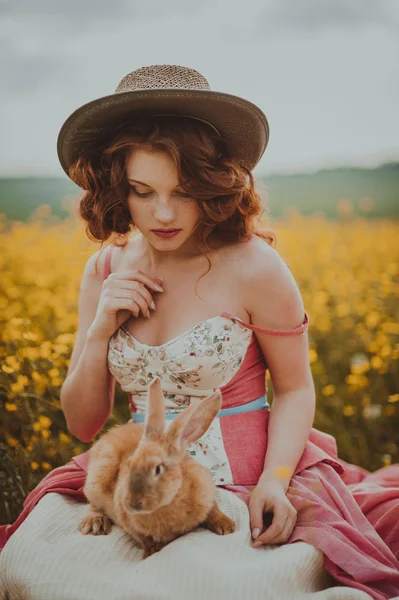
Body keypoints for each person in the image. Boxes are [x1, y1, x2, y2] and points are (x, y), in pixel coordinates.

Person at [0, 64, 398, 600]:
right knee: (34, 568)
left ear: (212, 186)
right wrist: (99, 331)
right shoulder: (103, 271)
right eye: (142, 192)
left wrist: (275, 481)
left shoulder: (255, 266)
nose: (163, 213)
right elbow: (83, 422)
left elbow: (297, 389)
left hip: (248, 481)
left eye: (183, 191)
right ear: (119, 188)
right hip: (135, 484)